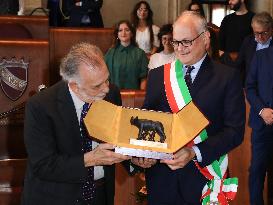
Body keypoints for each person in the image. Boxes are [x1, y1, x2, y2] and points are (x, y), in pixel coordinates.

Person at [132, 11, 245, 205]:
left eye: (186, 41)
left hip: (204, 178)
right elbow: (147, 122)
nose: (180, 49)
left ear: (205, 38)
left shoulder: (227, 77)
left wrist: (195, 152)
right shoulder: (159, 76)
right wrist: (139, 155)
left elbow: (235, 131)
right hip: (162, 181)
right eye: (176, 42)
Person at [21, 42, 130, 205]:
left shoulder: (111, 94)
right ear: (74, 86)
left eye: (107, 80)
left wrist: (134, 159)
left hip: (100, 195)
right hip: (56, 197)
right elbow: (43, 165)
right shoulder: (40, 106)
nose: (106, 89)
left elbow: (117, 138)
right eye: (97, 86)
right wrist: (90, 159)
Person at [245, 46, 273, 205]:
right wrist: (262, 110)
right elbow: (250, 87)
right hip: (262, 124)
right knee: (257, 171)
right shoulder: (261, 56)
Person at [105, 20, 148, 90]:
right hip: (114, 95)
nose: (123, 33)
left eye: (127, 30)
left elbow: (143, 78)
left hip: (134, 95)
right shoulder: (110, 53)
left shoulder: (140, 54)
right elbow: (104, 77)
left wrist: (140, 96)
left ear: (132, 33)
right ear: (117, 34)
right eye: (120, 30)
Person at [236, 11, 273, 84]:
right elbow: (239, 66)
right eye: (256, 33)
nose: (260, 37)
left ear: (271, 29)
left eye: (264, 33)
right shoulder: (248, 41)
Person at [219, 0, 254, 66]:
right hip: (228, 65)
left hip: (247, 64)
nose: (229, 2)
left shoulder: (253, 18)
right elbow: (220, 47)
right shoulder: (226, 19)